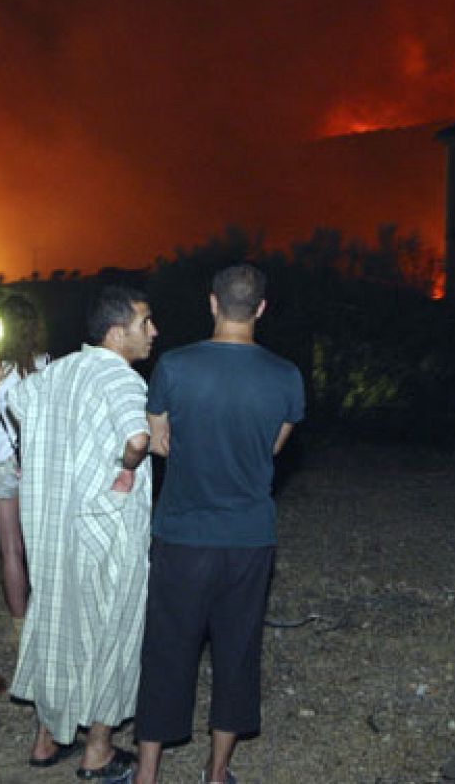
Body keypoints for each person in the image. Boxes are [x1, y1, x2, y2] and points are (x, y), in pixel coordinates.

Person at [133, 264, 304, 784]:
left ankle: (147, 773)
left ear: (212, 303)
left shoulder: (175, 367)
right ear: (261, 309)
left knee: (166, 651)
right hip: (248, 537)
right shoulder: (286, 375)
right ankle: (216, 771)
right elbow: (273, 447)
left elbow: (158, 442)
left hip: (182, 534)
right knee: (237, 651)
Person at [8, 286, 157, 782]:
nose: (152, 332)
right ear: (118, 333)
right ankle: (97, 751)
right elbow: (138, 438)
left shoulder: (58, 371)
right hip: (106, 531)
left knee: (59, 624)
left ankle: (47, 739)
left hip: (54, 530)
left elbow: (17, 405)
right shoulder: (121, 378)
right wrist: (124, 471)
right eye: (145, 323)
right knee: (110, 632)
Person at [0, 294, 50, 639]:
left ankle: (20, 626)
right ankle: (49, 615)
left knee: (10, 549)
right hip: (41, 464)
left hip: (3, 461)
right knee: (43, 544)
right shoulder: (49, 365)